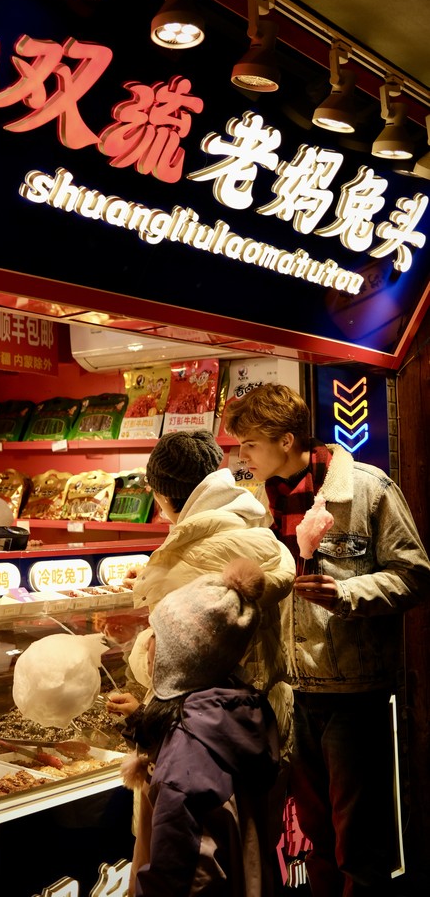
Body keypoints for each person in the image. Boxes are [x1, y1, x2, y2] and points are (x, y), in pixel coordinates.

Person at [224, 382, 430, 897]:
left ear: (286, 440)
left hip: (353, 692)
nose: (242, 455)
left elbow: (414, 574)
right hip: (289, 692)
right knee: (313, 838)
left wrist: (346, 593)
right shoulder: (257, 502)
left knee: (359, 843)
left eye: (250, 444)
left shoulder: (366, 489)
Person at [109, 429, 295, 893]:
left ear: (162, 495)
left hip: (194, 731)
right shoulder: (253, 529)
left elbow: (174, 659)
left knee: (188, 861)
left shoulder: (185, 558)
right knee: (250, 857)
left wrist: (137, 644)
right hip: (254, 724)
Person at [120, 558, 281, 897]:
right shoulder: (242, 711)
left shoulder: (186, 763)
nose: (147, 643)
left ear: (180, 656)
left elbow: (179, 877)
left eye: (156, 634)